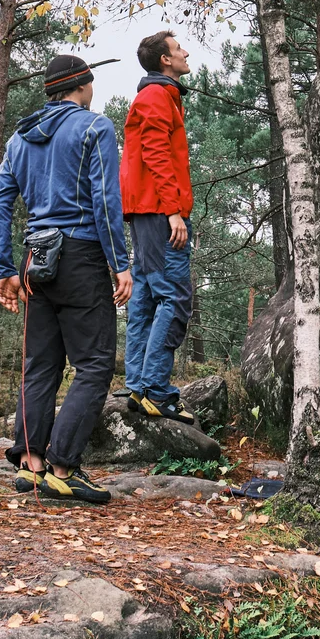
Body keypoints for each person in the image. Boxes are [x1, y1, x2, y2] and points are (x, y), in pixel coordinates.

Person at [0, 54, 132, 505]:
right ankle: (64, 468)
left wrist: (5, 270)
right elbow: (106, 201)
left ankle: (31, 466)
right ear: (83, 86)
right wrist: (121, 263)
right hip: (81, 255)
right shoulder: (95, 127)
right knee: (93, 364)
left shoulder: (19, 138)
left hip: (36, 261)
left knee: (40, 365)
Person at [118, 31, 196, 424]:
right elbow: (155, 154)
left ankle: (138, 386)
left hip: (146, 211)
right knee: (175, 298)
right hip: (159, 211)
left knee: (147, 295)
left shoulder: (157, 96)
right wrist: (173, 211)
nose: (184, 52)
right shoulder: (155, 97)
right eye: (178, 48)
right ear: (165, 60)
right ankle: (156, 390)